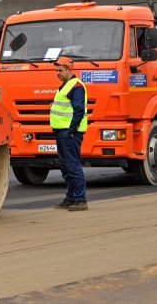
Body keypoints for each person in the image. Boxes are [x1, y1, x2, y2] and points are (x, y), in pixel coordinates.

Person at [50, 56, 88, 211]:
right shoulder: (65, 86)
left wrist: (72, 130)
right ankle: (71, 198)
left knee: (73, 166)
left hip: (70, 133)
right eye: (56, 70)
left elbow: (79, 111)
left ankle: (80, 200)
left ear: (69, 70)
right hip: (62, 132)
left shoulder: (76, 86)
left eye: (60, 70)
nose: (57, 73)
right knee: (65, 167)